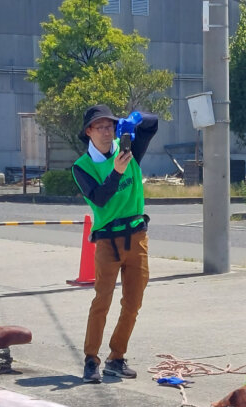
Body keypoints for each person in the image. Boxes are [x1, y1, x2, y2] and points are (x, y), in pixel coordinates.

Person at [72, 105, 159, 383]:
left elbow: (152, 123)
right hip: (108, 240)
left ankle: (116, 357)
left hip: (136, 236)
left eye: (111, 125)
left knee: (133, 302)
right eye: (100, 127)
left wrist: (133, 119)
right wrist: (116, 173)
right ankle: (90, 359)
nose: (107, 131)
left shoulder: (128, 149)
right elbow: (99, 198)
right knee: (102, 300)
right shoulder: (81, 167)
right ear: (88, 132)